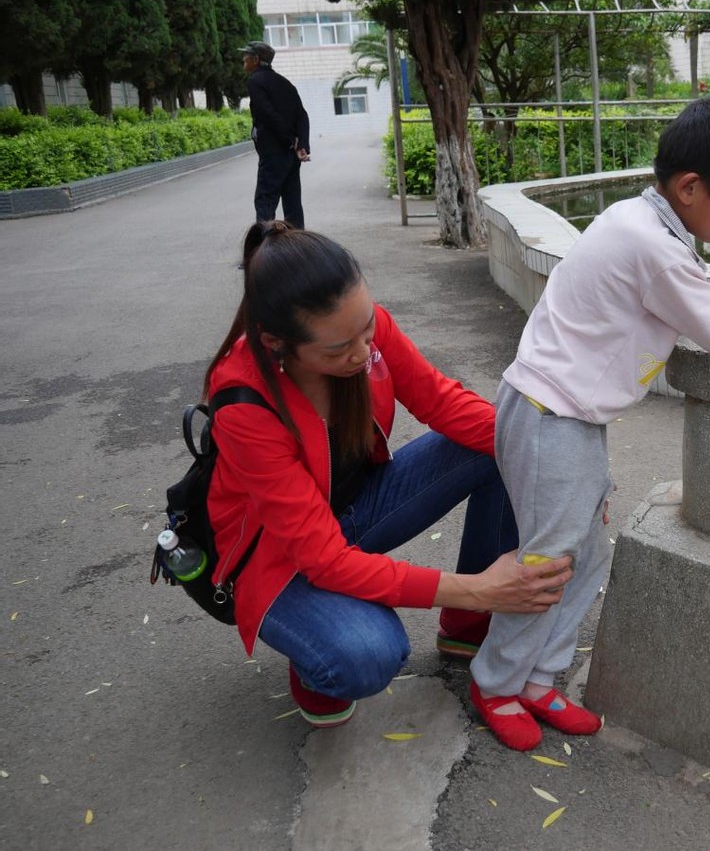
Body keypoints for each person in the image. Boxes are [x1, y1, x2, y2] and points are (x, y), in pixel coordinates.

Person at [468, 96, 710, 751]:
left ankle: (538, 680)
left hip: (563, 415)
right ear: (690, 187)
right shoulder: (654, 247)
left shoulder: (639, 223)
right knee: (548, 559)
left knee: (580, 554)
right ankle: (497, 682)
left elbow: (698, 308)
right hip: (549, 416)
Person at [205, 221, 572, 727]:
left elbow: (441, 401)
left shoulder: (358, 329)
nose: (361, 353)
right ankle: (316, 667)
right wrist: (480, 586)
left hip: (352, 511)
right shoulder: (243, 404)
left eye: (367, 331)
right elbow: (323, 559)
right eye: (337, 350)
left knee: (500, 447)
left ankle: (466, 628)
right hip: (283, 557)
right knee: (367, 654)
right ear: (276, 344)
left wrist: (567, 472)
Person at [240, 41, 310, 228]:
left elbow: (267, 113)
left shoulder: (255, 81)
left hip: (273, 153)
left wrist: (288, 140)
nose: (243, 60)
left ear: (256, 60)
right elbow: (302, 115)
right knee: (292, 202)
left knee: (265, 202)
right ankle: (298, 244)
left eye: (246, 56)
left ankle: (265, 245)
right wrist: (301, 144)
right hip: (291, 155)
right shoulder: (285, 83)